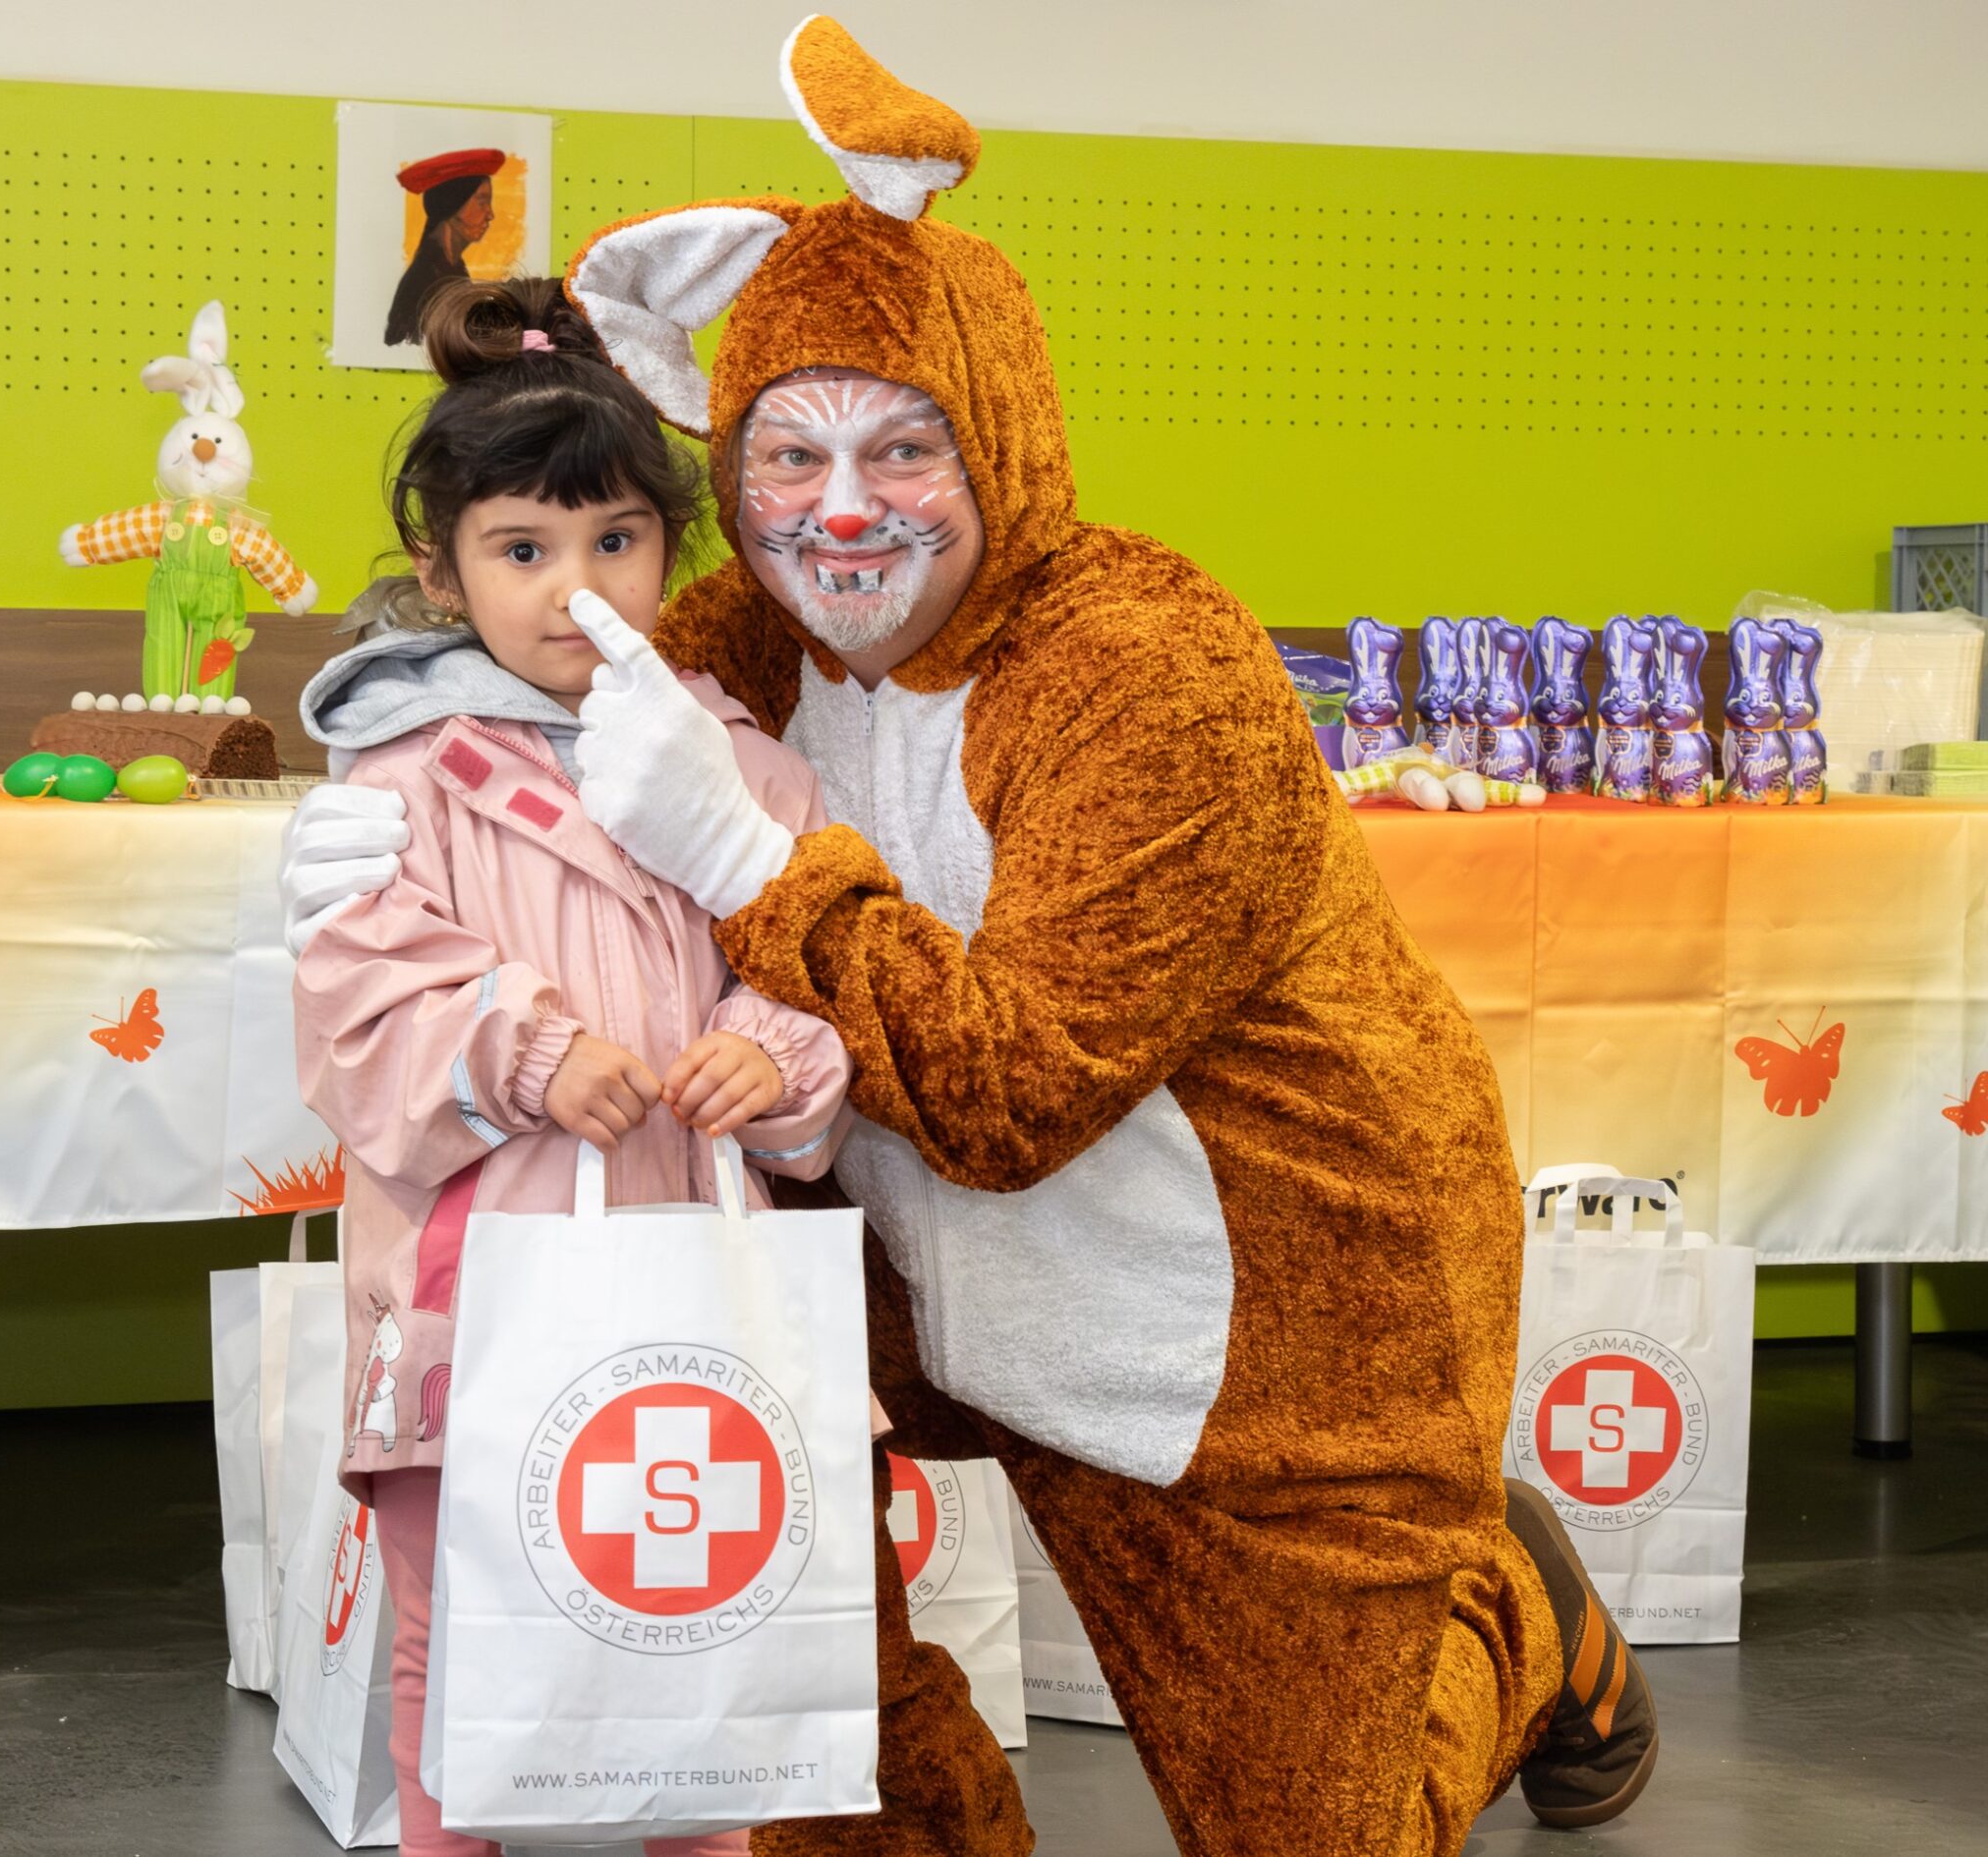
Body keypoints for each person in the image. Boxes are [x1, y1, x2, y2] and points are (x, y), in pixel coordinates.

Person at [284, 19, 1660, 1857]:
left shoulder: (1151, 673)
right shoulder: (741, 638)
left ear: (999, 431)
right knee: (768, 1667)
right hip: (908, 1283)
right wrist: (379, 789)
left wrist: (747, 863)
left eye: (904, 445)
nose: (840, 510)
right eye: (787, 453)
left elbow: (1017, 1090)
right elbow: (531, 632)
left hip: (1230, 1341)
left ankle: (1515, 1616)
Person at [290, 274, 854, 1857]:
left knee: (708, 1624)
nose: (571, 588)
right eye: (521, 550)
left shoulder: (747, 762)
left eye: (614, 542)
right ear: (442, 567)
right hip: (471, 1279)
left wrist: (767, 1052)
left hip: (690, 1272)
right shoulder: (403, 777)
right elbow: (354, 1007)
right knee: (445, 1624)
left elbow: (816, 963)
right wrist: (525, 1053)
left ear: (673, 551)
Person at [385, 148, 503, 347]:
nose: (490, 214)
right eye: (482, 201)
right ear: (453, 205)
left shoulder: (452, 270)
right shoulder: (428, 281)